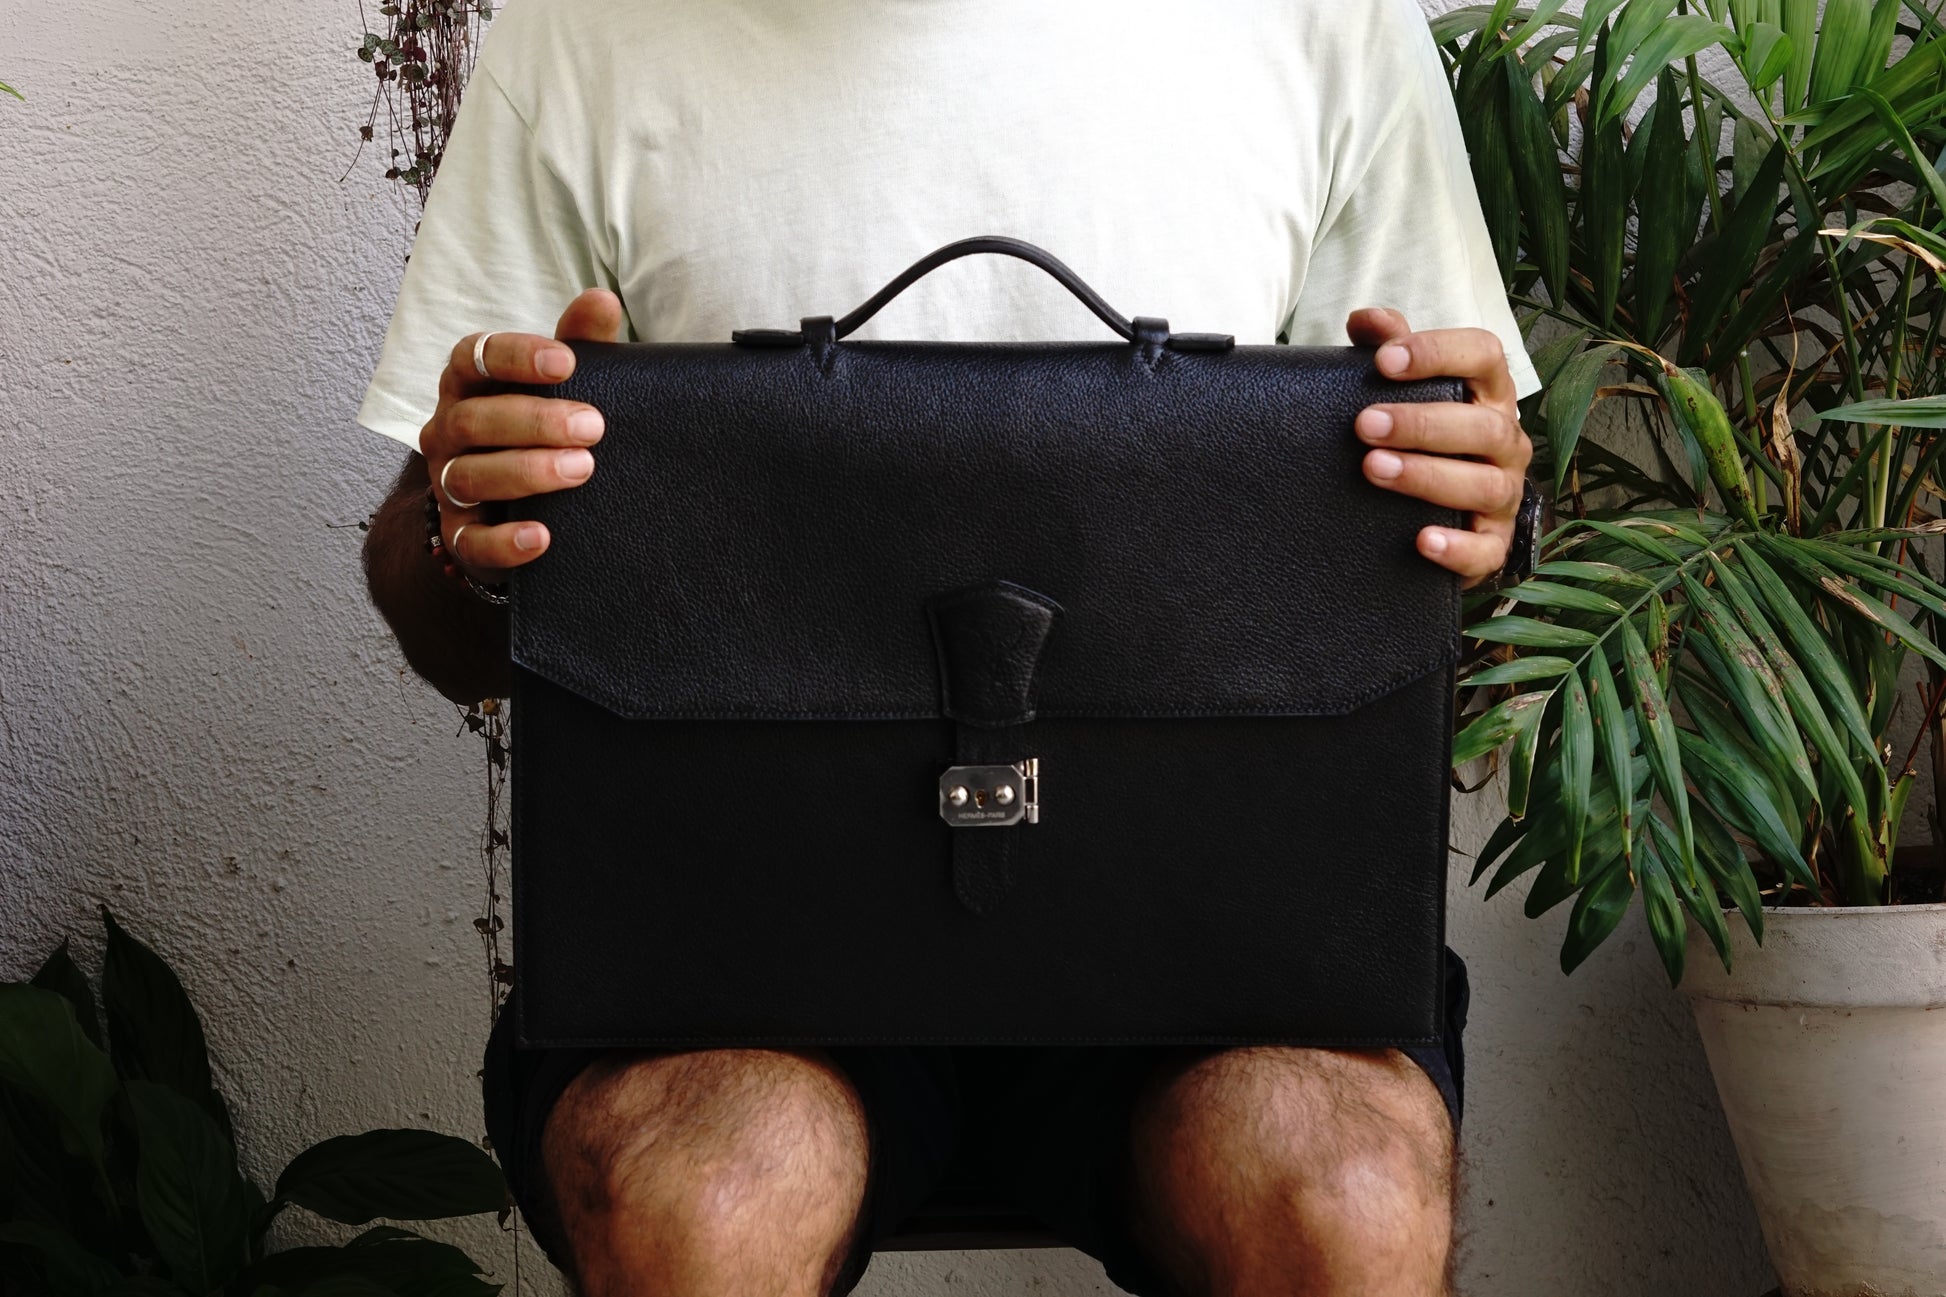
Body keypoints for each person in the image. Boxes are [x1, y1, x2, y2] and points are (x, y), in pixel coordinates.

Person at [355, 1, 1540, 1293]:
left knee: (1350, 1201)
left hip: (1215, 939)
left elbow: (1452, 581)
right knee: (710, 1203)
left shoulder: (1329, 22)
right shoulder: (582, 32)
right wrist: (468, 525)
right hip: (739, 942)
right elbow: (442, 610)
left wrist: (1487, 522)